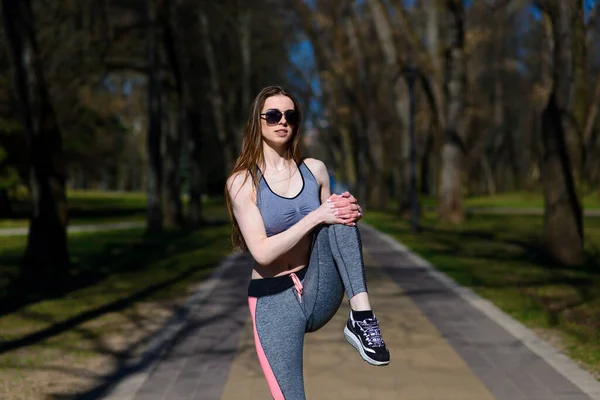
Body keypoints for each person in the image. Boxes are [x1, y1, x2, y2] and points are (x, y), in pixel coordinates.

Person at [225, 86, 390, 400]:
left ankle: (362, 318)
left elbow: (336, 231)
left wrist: (349, 210)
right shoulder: (242, 182)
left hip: (316, 286)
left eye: (290, 115)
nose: (282, 122)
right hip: (272, 302)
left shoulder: (315, 170)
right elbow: (260, 251)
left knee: (339, 213)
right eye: (273, 115)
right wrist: (316, 217)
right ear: (257, 123)